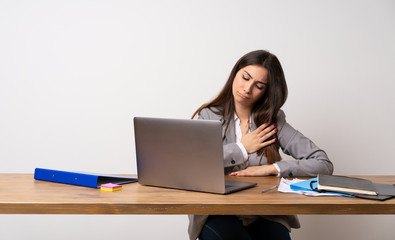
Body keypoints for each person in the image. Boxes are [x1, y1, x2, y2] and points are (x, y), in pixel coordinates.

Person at [188, 50, 334, 240]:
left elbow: (323, 163)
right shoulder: (209, 115)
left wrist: (272, 168)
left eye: (259, 85)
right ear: (235, 74)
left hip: (265, 212)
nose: (247, 89)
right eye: (245, 77)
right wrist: (241, 148)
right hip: (217, 211)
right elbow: (196, 164)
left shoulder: (273, 121)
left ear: (267, 91)